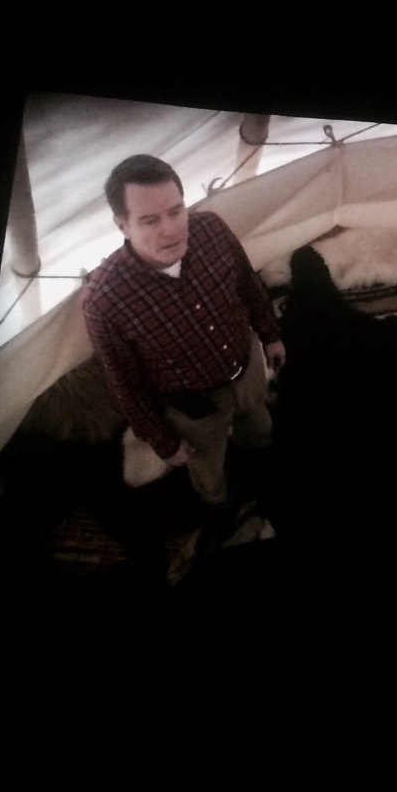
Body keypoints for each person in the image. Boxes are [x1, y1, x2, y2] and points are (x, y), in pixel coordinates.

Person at [81, 154, 287, 520]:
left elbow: (247, 284)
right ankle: (218, 506)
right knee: (208, 467)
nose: (171, 229)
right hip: (192, 409)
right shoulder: (105, 301)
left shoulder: (212, 230)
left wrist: (270, 335)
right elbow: (124, 382)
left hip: (248, 366)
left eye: (177, 211)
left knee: (259, 426)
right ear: (122, 225)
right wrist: (163, 442)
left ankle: (263, 465)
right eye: (150, 220)